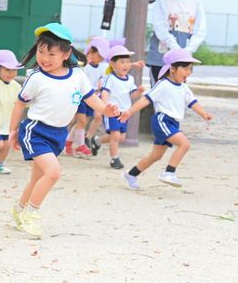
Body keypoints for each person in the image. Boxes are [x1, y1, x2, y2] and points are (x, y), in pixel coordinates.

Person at [8, 23, 119, 238]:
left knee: (37, 179)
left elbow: (91, 99)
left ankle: (19, 209)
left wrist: (107, 110)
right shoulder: (36, 78)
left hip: (58, 134)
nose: (44, 58)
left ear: (66, 54)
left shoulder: (77, 75)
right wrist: (13, 131)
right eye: (41, 52)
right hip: (36, 131)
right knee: (53, 173)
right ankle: (32, 214)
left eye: (51, 53)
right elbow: (20, 104)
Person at [121, 48, 212, 190]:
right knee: (184, 144)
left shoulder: (184, 87)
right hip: (162, 120)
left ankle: (131, 174)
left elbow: (193, 102)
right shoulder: (163, 84)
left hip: (173, 122)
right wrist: (129, 112)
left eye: (190, 69)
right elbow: (146, 100)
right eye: (185, 68)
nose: (188, 72)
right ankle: (169, 172)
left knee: (156, 156)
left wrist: (204, 113)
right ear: (173, 69)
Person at [147, 0, 206, 85]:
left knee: (178, 91)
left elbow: (200, 30)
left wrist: (188, 51)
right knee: (157, 90)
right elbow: (160, 27)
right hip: (161, 55)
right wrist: (175, 48)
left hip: (183, 57)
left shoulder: (195, 1)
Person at [98, 44, 146, 169]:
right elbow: (105, 92)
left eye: (128, 62)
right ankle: (114, 159)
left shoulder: (130, 79)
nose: (126, 65)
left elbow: (132, 95)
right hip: (112, 111)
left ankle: (97, 141)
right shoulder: (110, 78)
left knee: (121, 137)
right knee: (115, 135)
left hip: (124, 113)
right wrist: (105, 106)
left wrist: (139, 91)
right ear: (113, 64)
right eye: (122, 62)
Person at [64, 36, 109, 157]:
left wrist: (100, 85)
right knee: (81, 121)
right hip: (82, 96)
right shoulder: (85, 67)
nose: (93, 56)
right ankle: (80, 146)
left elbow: (101, 79)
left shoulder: (102, 67)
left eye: (97, 54)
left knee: (83, 122)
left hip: (93, 97)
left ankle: (68, 142)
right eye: (91, 53)